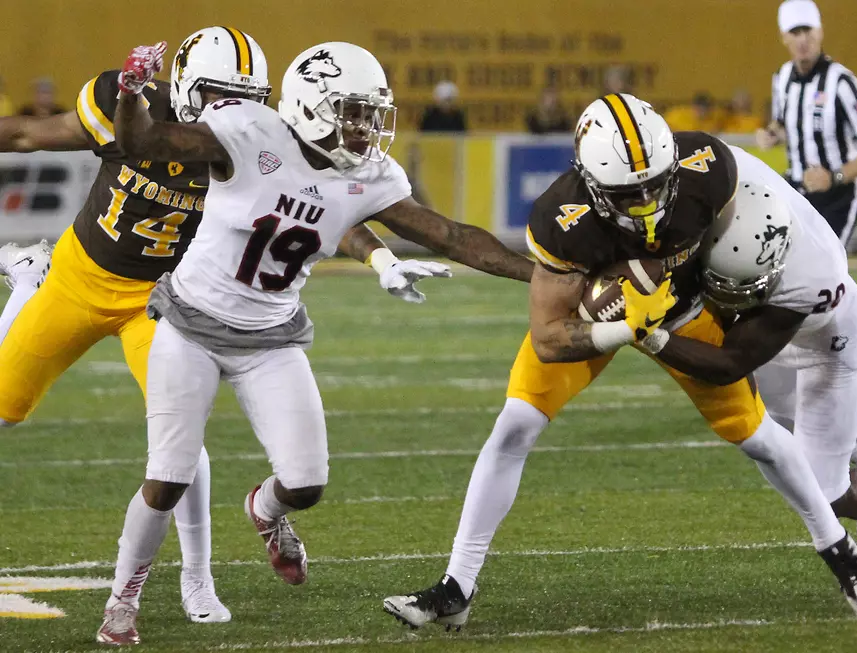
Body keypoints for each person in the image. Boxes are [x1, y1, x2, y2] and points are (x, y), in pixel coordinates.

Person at [383, 93, 857, 630]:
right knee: (514, 425)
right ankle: (457, 585)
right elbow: (550, 339)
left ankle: (838, 551)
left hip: (687, 310)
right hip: (594, 319)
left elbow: (739, 238)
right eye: (630, 192)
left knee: (757, 435)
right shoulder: (562, 218)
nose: (647, 202)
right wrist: (623, 326)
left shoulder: (706, 168)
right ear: (591, 184)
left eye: (655, 184)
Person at [97, 39, 534, 645]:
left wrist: (544, 274)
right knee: (169, 476)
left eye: (370, 113)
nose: (365, 128)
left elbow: (454, 236)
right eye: (352, 112)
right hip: (190, 324)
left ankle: (265, 513)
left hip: (271, 336)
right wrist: (130, 92)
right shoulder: (246, 131)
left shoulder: (370, 175)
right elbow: (142, 142)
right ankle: (123, 596)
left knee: (306, 483)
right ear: (308, 105)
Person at [0, 26, 278, 629]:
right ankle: (28, 281)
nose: (230, 112)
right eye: (216, 95)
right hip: (79, 277)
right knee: (4, 408)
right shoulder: (131, 109)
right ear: (180, 85)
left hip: (159, 302)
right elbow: (25, 134)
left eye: (244, 98)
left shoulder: (252, 154)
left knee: (182, 448)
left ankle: (197, 577)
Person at [652, 150, 857, 597]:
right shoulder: (722, 179)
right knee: (782, 421)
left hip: (826, 347)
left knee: (823, 488)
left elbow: (728, 366)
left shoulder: (809, 281)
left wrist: (650, 336)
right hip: (772, 325)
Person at [756, 0, 857, 356]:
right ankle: (853, 315)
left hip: (840, 192)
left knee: (824, 272)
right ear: (784, 37)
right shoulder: (782, 78)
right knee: (776, 262)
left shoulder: (841, 82)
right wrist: (772, 133)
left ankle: (846, 328)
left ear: (820, 32)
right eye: (795, 32)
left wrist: (835, 175)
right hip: (797, 189)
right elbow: (786, 123)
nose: (802, 39)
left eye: (807, 31)